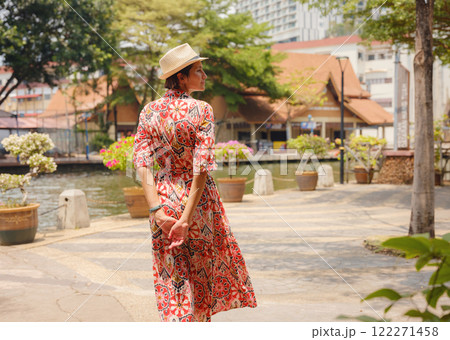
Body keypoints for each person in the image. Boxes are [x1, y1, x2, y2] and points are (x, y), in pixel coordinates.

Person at [133, 43, 257, 322]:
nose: (205, 75)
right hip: (196, 205)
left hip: (163, 200)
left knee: (172, 279)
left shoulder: (148, 112)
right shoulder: (202, 110)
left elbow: (142, 164)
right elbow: (200, 170)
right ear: (181, 77)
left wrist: (158, 211)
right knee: (200, 278)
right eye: (199, 70)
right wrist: (186, 219)